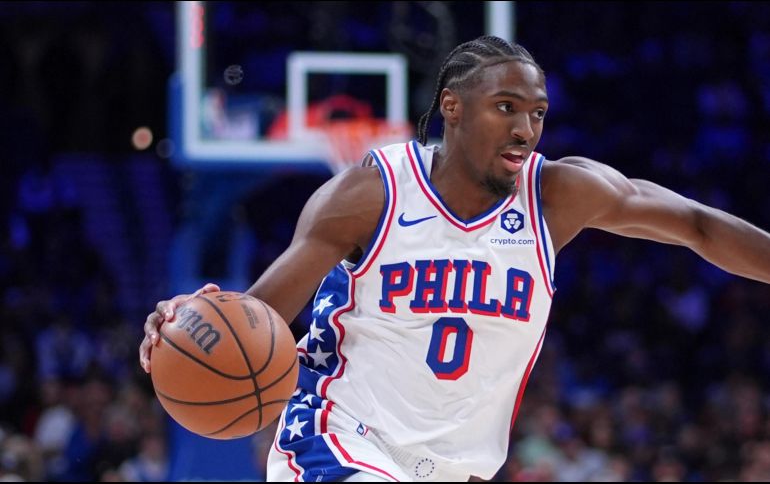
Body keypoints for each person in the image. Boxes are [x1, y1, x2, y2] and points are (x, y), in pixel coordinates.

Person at [139, 35, 770, 482]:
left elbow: (695, 225)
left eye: (537, 113)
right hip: (337, 444)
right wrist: (187, 322)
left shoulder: (557, 197)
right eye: (506, 108)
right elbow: (257, 316)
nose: (525, 128)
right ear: (452, 108)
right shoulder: (371, 193)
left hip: (457, 467)